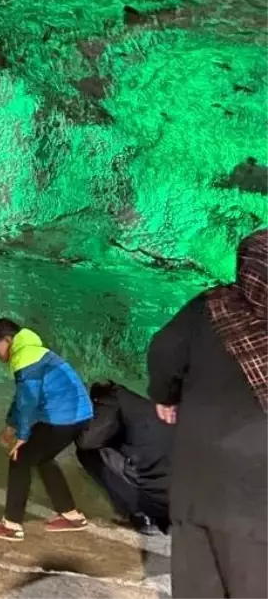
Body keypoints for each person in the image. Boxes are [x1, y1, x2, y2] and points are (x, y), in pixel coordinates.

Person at [148, 229, 268, 598]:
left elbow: (164, 349)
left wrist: (165, 397)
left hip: (196, 477)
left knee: (196, 580)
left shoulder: (210, 305)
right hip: (254, 495)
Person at [0, 319, 92, 542]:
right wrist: (12, 425)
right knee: (42, 458)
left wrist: (22, 436)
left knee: (20, 457)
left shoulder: (25, 356)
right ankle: (72, 516)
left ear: (8, 340)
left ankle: (11, 526)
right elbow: (23, 397)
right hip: (78, 414)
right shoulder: (33, 351)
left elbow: (28, 400)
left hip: (63, 417)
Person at [74, 381, 171, 535]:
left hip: (156, 484)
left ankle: (141, 514)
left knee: (88, 453)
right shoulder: (141, 406)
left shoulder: (109, 400)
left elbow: (86, 440)